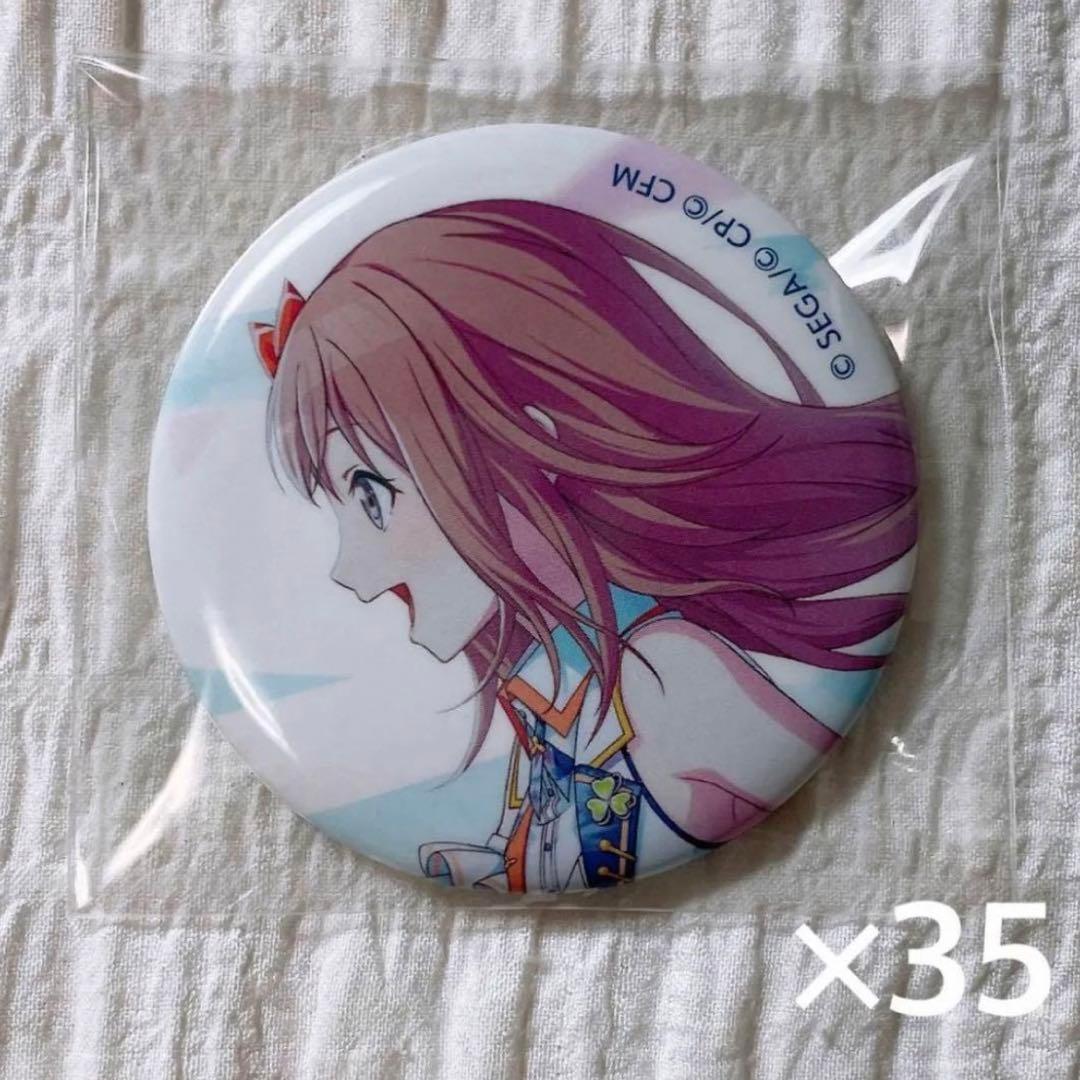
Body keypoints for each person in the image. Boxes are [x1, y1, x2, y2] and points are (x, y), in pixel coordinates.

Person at [252, 199, 917, 892]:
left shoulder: (667, 673)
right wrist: (497, 864)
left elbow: (848, 857)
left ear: (533, 446)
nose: (350, 572)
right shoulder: (551, 692)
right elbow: (574, 844)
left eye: (371, 497)